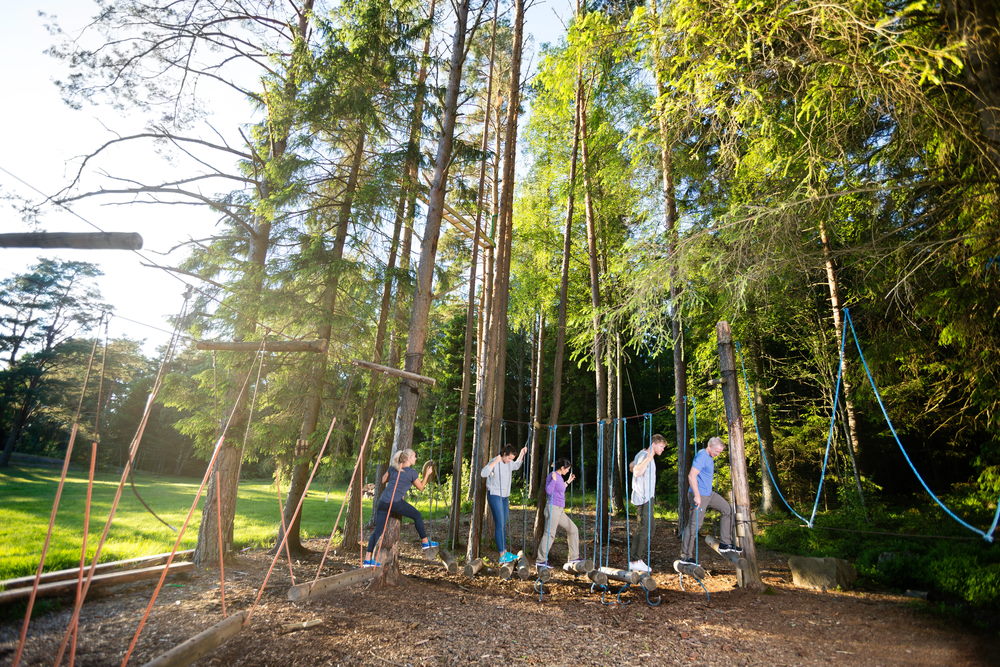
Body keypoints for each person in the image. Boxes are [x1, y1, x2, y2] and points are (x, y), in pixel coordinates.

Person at [363, 448, 437, 566]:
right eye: (414, 456)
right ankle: (425, 542)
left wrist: (392, 468)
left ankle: (367, 559)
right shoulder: (412, 473)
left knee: (378, 531)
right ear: (408, 458)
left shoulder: (393, 468)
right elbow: (421, 487)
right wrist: (427, 474)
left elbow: (383, 480)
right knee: (417, 515)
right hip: (395, 502)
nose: (416, 458)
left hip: (382, 502)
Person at [679, 436, 742, 565]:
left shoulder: (709, 457)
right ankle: (685, 556)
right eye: (717, 451)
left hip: (708, 494)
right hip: (699, 495)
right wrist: (696, 495)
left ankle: (725, 544)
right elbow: (691, 476)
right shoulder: (702, 456)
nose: (718, 454)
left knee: (726, 509)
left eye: (720, 452)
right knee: (694, 525)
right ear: (709, 446)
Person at [481, 444, 528, 564]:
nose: (510, 461)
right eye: (509, 458)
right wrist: (495, 462)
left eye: (512, 459)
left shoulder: (509, 463)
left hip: (504, 497)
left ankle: (505, 552)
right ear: (504, 454)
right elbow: (483, 473)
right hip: (495, 495)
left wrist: (522, 454)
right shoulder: (495, 461)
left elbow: (516, 466)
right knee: (500, 524)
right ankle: (502, 554)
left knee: (503, 523)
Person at [628, 433, 667, 573]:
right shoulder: (646, 456)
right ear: (654, 444)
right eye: (661, 446)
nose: (662, 449)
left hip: (647, 497)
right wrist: (649, 458)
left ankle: (635, 560)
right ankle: (635, 560)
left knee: (649, 527)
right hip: (643, 498)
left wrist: (637, 463)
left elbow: (631, 466)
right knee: (645, 528)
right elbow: (637, 471)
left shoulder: (641, 454)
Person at [535, 458, 583, 570]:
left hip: (559, 510)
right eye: (567, 469)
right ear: (562, 468)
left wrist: (568, 481)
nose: (568, 471)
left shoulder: (560, 477)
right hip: (552, 508)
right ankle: (540, 561)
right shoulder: (553, 475)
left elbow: (559, 490)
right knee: (550, 534)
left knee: (573, 529)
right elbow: (549, 491)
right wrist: (553, 480)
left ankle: (573, 557)